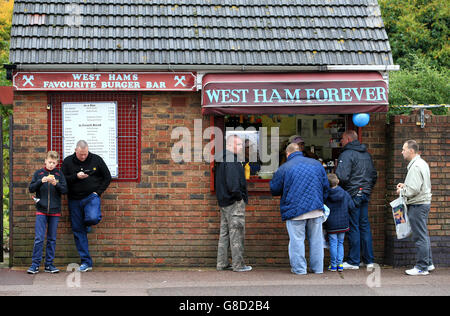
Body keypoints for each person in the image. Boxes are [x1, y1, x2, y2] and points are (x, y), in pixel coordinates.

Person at [270, 143, 329, 275]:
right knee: (317, 241)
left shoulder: (285, 167)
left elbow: (274, 189)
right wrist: (320, 201)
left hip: (294, 210)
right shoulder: (317, 164)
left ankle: (300, 270)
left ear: (287, 154)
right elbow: (326, 186)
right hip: (316, 209)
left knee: (297, 241)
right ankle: (318, 269)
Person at [62, 140, 112, 272]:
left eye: (85, 154)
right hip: (74, 200)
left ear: (88, 150)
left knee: (93, 218)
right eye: (80, 154)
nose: (83, 157)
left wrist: (98, 192)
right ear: (75, 150)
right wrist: (76, 176)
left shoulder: (96, 159)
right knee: (78, 231)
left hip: (91, 197)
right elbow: (62, 179)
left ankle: (87, 223)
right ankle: (86, 262)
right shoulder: (68, 161)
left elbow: (107, 177)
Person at [335, 130, 377, 270]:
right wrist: (366, 189)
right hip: (365, 193)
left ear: (347, 139)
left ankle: (354, 261)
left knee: (353, 226)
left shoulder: (346, 154)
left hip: (352, 194)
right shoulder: (366, 154)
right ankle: (369, 260)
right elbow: (374, 175)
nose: (340, 141)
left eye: (342, 138)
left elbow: (342, 176)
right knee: (364, 226)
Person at [396, 140, 434, 276]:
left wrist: (402, 191)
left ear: (411, 151)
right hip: (423, 203)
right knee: (423, 234)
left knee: (419, 236)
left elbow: (414, 189)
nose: (402, 152)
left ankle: (421, 267)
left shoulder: (415, 166)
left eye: (403, 149)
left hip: (418, 204)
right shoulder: (421, 163)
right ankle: (428, 263)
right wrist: (405, 186)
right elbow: (417, 185)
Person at [215, 135, 252, 272]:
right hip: (233, 202)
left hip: (224, 202)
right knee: (237, 233)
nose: (242, 147)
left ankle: (222, 263)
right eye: (240, 145)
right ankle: (238, 265)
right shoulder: (231, 160)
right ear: (230, 145)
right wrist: (239, 197)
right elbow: (233, 184)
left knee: (224, 234)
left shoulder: (222, 158)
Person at [27, 151, 67, 274]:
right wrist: (41, 181)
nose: (51, 165)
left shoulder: (59, 174)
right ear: (45, 161)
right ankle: (35, 265)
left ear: (57, 163)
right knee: (39, 238)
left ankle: (49, 264)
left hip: (55, 211)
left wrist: (56, 184)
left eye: (54, 163)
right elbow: (31, 188)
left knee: (52, 239)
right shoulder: (39, 173)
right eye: (49, 162)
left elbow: (65, 190)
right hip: (41, 210)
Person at [324, 173, 355, 272]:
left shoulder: (326, 195)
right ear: (338, 181)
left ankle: (333, 265)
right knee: (340, 243)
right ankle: (340, 264)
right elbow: (352, 206)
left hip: (331, 223)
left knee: (333, 243)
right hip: (343, 222)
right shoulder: (345, 193)